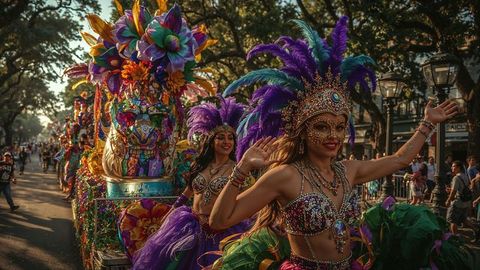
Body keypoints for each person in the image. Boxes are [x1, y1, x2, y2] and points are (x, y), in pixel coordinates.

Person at [209, 17, 458, 269]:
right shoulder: (285, 176)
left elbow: (400, 159)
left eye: (339, 127)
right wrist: (241, 169)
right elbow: (220, 221)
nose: (333, 136)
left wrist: (427, 124)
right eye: (321, 126)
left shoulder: (348, 170)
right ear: (303, 132)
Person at [132, 97, 251, 270]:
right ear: (211, 141)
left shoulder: (239, 171)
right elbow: (186, 194)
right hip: (191, 226)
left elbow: (249, 200)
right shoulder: (201, 166)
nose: (226, 142)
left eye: (230, 138)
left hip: (222, 232)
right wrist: (170, 213)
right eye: (220, 138)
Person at [446, 160, 476, 236]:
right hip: (465, 202)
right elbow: (464, 188)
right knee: (464, 219)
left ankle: (454, 236)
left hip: (458, 203)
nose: (452, 168)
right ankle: (477, 229)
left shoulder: (456, 178)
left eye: (453, 166)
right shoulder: (465, 176)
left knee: (453, 221)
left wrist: (448, 200)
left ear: (458, 168)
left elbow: (453, 192)